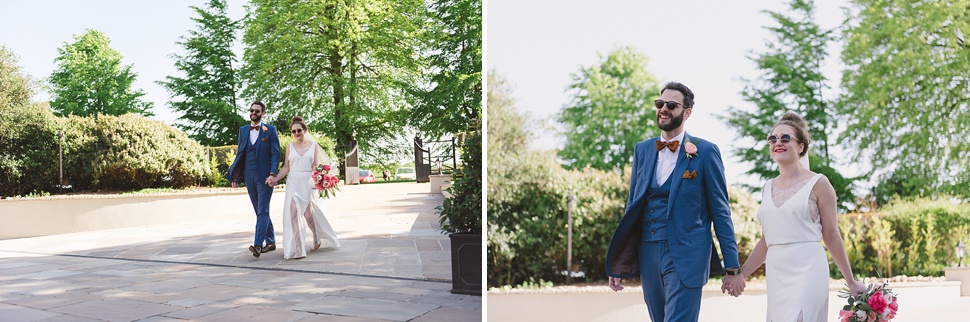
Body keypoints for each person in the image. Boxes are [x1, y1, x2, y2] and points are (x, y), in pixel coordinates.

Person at [605, 82, 743, 322]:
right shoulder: (643, 150)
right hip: (648, 251)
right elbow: (632, 208)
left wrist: (732, 267)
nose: (663, 109)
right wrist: (620, 260)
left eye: (671, 104)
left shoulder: (706, 151)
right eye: (660, 104)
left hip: (688, 254)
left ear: (687, 112)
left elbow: (721, 212)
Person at [736, 112, 866, 321]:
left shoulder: (819, 184)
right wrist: (740, 274)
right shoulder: (766, 187)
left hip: (809, 268)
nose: (778, 142)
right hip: (777, 272)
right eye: (773, 139)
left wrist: (850, 281)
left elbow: (831, 235)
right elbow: (766, 241)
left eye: (785, 138)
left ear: (801, 147)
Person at [266, 116, 340, 259]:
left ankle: (315, 234)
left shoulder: (313, 146)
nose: (296, 133)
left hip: (307, 182)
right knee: (293, 212)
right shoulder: (289, 147)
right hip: (293, 181)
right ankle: (298, 248)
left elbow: (315, 167)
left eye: (299, 130)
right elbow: (286, 167)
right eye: (293, 131)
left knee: (308, 215)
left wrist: (319, 180)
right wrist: (275, 178)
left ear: (304, 130)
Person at [227, 101, 281, 258]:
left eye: (257, 111)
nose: (253, 113)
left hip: (264, 176)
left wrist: (273, 174)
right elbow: (240, 154)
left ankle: (258, 245)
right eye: (251, 110)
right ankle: (270, 241)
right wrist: (236, 176)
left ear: (263, 113)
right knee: (259, 210)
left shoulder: (270, 130)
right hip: (248, 174)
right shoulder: (243, 130)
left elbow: (275, 154)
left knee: (263, 209)